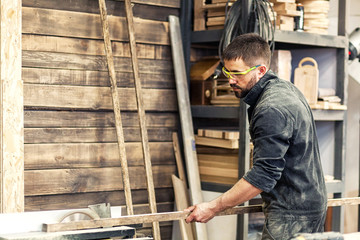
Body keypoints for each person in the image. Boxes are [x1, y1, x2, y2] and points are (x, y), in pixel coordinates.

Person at [185, 33, 327, 240]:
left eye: (237, 73)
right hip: (305, 205)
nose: (230, 80)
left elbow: (263, 175)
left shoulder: (271, 108)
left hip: (293, 215)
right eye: (226, 71)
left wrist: (213, 207)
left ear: (261, 70)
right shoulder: (284, 89)